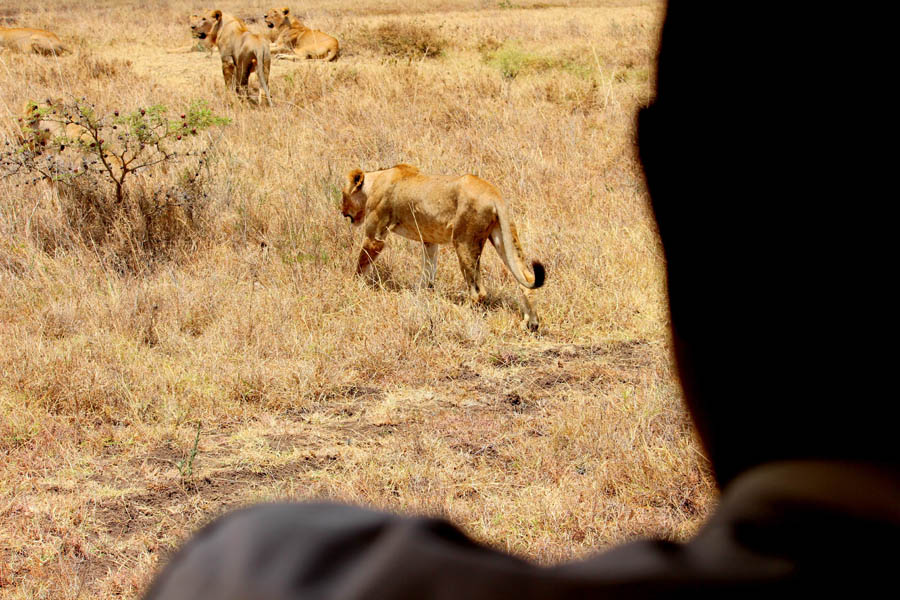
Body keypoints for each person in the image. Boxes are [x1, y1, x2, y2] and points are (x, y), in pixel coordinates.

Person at [143, 4, 900, 598]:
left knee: (481, 264)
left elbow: (241, 559)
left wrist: (356, 272)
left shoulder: (237, 565)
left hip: (461, 209)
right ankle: (526, 307)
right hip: (466, 202)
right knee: (503, 264)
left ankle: (507, 308)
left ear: (667, 193)